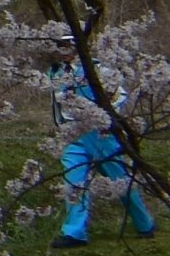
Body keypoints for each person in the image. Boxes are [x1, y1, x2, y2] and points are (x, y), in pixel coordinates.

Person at [60, 74, 161, 246]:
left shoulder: (96, 68)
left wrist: (107, 118)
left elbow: (119, 94)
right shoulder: (56, 72)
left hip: (101, 135)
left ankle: (144, 223)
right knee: (73, 180)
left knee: (120, 180)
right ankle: (74, 233)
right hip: (73, 134)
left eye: (65, 46)